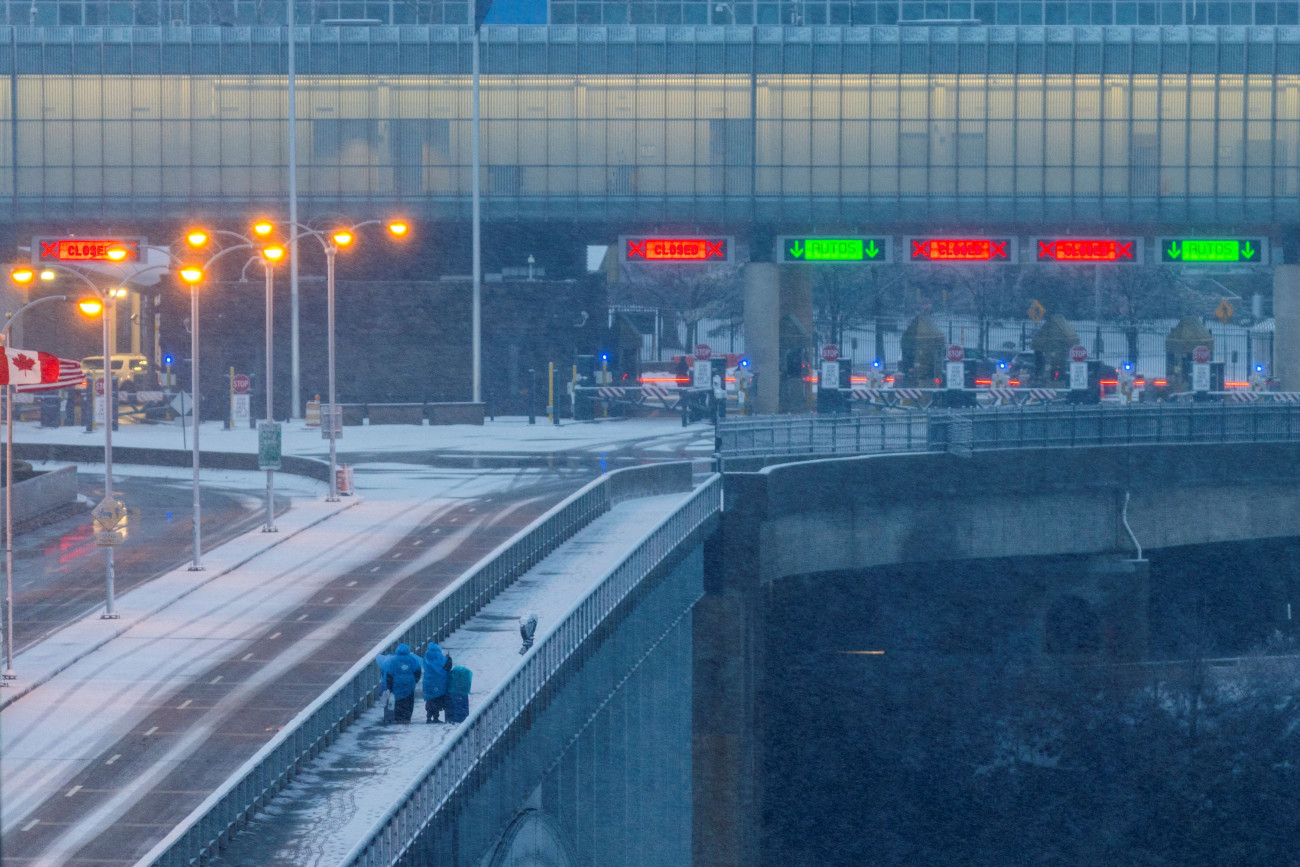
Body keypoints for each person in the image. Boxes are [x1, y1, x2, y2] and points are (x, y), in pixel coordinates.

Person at [376, 643, 422, 724]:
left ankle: (398, 717)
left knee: (398, 702)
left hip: (396, 685)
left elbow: (389, 674)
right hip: (409, 685)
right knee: (409, 702)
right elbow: (418, 671)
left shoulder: (393, 660)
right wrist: (414, 681)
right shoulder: (412, 659)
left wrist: (390, 686)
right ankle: (407, 718)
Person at [422, 642, 453, 723]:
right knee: (437, 699)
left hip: (428, 681)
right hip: (439, 682)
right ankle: (436, 717)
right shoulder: (441, 658)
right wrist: (449, 658)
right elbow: (448, 667)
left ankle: (429, 717)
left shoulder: (426, 657)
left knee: (430, 699)